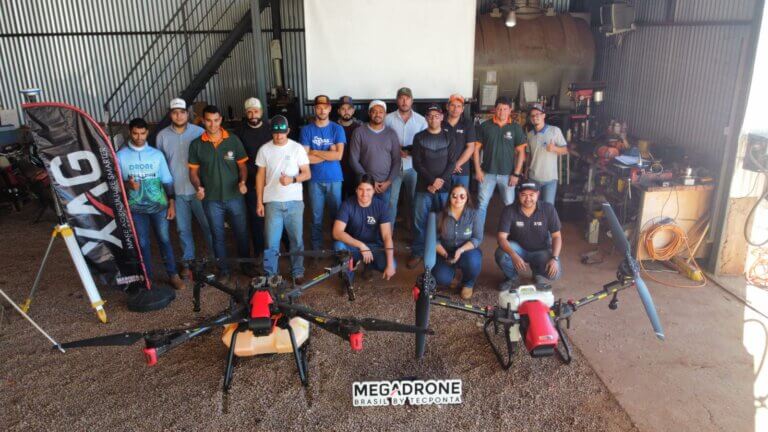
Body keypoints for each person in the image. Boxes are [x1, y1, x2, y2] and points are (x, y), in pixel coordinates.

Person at [117, 118, 185, 290]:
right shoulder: (121, 156)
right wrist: (127, 185)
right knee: (143, 243)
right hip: (135, 208)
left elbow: (167, 180)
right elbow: (114, 183)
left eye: (142, 133)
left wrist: (171, 203)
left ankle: (173, 274)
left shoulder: (156, 154)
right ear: (130, 133)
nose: (139, 137)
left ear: (147, 132)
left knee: (164, 239)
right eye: (135, 133)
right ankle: (147, 278)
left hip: (159, 206)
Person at [188, 105, 251, 283]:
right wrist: (198, 187)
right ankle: (224, 270)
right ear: (203, 120)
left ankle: (245, 265)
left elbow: (242, 166)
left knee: (242, 233)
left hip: (235, 197)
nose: (213, 124)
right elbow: (193, 173)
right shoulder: (196, 144)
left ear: (221, 119)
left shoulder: (233, 140)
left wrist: (243, 182)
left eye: (216, 120)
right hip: (211, 199)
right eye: (208, 120)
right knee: (218, 236)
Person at [156, 98, 213, 279]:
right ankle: (188, 263)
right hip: (178, 192)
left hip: (200, 190)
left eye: (182, 112)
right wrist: (166, 193)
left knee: (208, 226)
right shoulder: (162, 136)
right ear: (170, 114)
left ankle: (215, 261)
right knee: (183, 229)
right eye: (174, 112)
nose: (178, 115)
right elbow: (161, 166)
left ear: (188, 113)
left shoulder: (200, 132)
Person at [256, 115, 311, 284]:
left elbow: (307, 173)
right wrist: (259, 201)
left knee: (296, 240)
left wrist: (292, 179)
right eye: (275, 133)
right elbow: (260, 176)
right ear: (271, 132)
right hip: (272, 202)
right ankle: (271, 275)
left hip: (294, 201)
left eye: (282, 133)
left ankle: (297, 272)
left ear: (288, 131)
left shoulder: (297, 148)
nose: (279, 137)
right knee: (271, 242)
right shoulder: (264, 149)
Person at [408, 103, 458, 269]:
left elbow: (452, 163)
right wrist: (432, 182)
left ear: (442, 117)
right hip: (424, 187)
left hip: (444, 189)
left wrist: (439, 182)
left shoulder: (449, 137)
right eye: (430, 116)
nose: (433, 119)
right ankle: (417, 252)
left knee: (445, 223)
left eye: (437, 116)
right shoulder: (419, 137)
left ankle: (444, 252)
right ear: (426, 118)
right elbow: (417, 164)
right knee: (418, 222)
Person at [473, 96, 527, 238]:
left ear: (510, 110)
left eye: (505, 109)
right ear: (494, 110)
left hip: (507, 175)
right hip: (487, 174)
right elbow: (476, 150)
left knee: (509, 205)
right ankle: (477, 235)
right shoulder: (485, 126)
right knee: (481, 205)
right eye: (499, 109)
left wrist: (516, 174)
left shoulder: (516, 128)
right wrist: (478, 170)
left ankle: (509, 233)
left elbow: (521, 153)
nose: (502, 112)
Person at [495, 181, 562, 291]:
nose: (528, 199)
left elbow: (556, 236)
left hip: (541, 250)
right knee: (501, 254)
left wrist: (554, 258)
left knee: (555, 273)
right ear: (518, 195)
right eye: (524, 195)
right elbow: (501, 237)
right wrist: (513, 255)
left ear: (538, 194)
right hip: (518, 250)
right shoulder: (509, 210)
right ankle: (512, 277)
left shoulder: (548, 209)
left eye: (532, 195)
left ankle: (538, 272)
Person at [301, 95, 346, 251]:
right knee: (315, 218)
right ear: (315, 109)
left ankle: (338, 248)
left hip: (334, 179)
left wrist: (315, 151)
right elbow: (305, 159)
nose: (322, 110)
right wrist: (328, 153)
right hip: (314, 180)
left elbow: (338, 156)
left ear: (329, 108)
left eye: (325, 107)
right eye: (318, 107)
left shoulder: (337, 129)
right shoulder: (306, 130)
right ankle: (316, 249)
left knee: (337, 217)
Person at [333, 174, 396, 283]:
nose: (364, 193)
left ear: (374, 191)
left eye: (368, 189)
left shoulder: (381, 206)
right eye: (361, 189)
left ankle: (369, 265)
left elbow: (387, 237)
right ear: (356, 190)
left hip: (374, 247)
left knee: (393, 264)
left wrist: (390, 264)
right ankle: (348, 276)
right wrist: (361, 246)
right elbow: (336, 232)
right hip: (354, 246)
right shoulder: (347, 204)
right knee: (339, 246)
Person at [233, 97, 272, 258]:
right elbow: (240, 159)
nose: (253, 114)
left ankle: (279, 249)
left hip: (270, 181)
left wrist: (265, 179)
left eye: (256, 111)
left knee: (273, 216)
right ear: (246, 113)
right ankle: (259, 252)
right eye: (249, 112)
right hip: (250, 181)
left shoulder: (270, 130)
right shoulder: (239, 132)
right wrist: (253, 180)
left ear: (261, 112)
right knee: (256, 219)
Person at [385, 87, 427, 229]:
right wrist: (396, 151)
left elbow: (426, 144)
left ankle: (414, 233)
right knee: (391, 202)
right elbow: (382, 140)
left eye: (407, 98)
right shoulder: (388, 119)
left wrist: (410, 152)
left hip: (414, 167)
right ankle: (388, 234)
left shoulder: (421, 120)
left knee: (414, 201)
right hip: (393, 167)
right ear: (397, 100)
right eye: (401, 98)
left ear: (412, 100)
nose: (404, 101)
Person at [433, 184, 483, 300]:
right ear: (449, 197)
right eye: (454, 196)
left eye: (462, 196)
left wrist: (461, 250)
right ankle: (454, 276)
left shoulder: (474, 215)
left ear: (467, 198)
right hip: (445, 251)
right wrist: (446, 255)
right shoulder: (439, 216)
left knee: (473, 262)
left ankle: (468, 283)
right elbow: (433, 240)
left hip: (466, 251)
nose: (458, 199)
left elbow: (477, 238)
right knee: (440, 278)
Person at [348, 100, 401, 203]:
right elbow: (353, 160)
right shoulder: (359, 132)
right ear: (369, 113)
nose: (378, 114)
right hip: (364, 185)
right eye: (374, 111)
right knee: (364, 216)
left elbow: (397, 161)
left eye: (381, 112)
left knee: (383, 217)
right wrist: (368, 181)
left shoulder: (391, 134)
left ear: (385, 114)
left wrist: (388, 182)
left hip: (384, 186)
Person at [526, 103, 568, 205]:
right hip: (533, 178)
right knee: (533, 207)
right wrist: (526, 170)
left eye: (538, 114)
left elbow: (565, 150)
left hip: (550, 180)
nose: (535, 117)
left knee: (548, 209)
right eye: (532, 115)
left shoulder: (554, 131)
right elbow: (529, 155)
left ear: (544, 115)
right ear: (530, 118)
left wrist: (554, 148)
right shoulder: (530, 135)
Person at [442, 93, 477, 189]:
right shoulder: (440, 123)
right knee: (443, 201)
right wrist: (449, 166)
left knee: (461, 200)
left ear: (462, 109)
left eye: (458, 106)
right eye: (452, 105)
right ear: (447, 106)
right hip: (442, 169)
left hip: (461, 170)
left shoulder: (468, 124)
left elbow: (471, 147)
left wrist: (456, 164)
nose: (455, 109)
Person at [337, 95, 363, 198]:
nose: (346, 111)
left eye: (349, 109)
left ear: (353, 111)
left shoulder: (360, 127)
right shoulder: (333, 127)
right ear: (338, 111)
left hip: (356, 171)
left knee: (355, 200)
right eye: (343, 109)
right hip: (338, 171)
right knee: (339, 201)